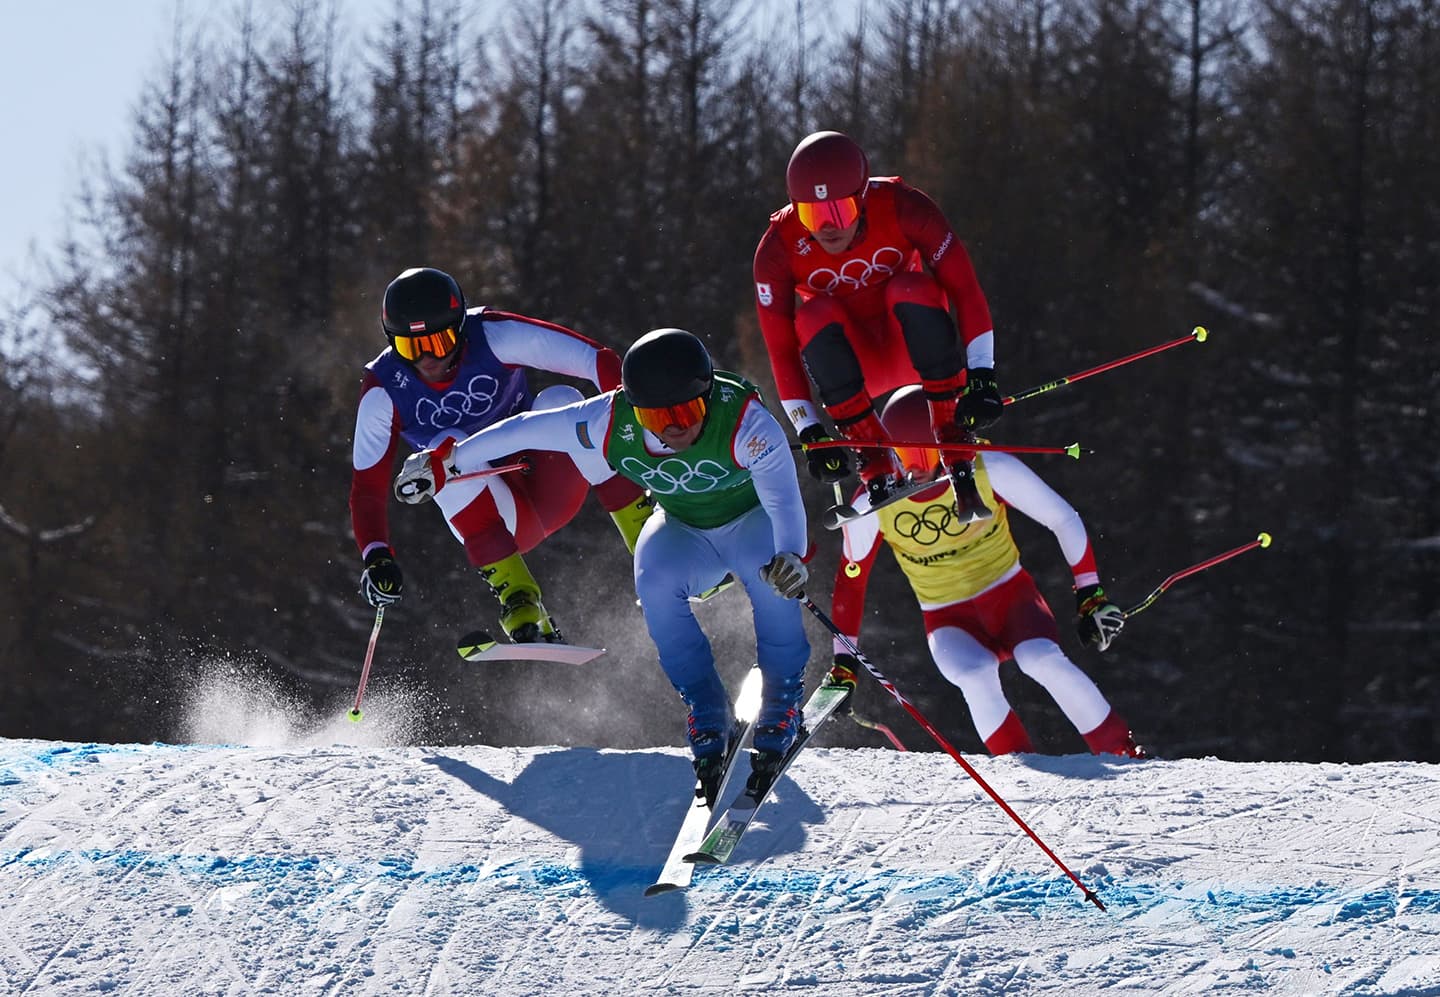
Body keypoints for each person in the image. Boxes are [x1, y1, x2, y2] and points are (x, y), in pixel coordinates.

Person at [392, 328, 813, 799]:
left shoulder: (747, 423)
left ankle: (783, 700)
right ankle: (706, 709)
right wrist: (447, 460)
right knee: (653, 579)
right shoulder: (606, 420)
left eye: (687, 410)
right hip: (684, 530)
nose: (675, 427)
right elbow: (525, 429)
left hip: (750, 524)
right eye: (658, 415)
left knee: (769, 573)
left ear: (708, 396)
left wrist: (792, 556)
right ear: (635, 408)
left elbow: (784, 504)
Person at [825, 385, 1143, 757]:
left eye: (918, 454)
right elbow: (852, 580)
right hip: (946, 618)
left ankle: (1124, 754)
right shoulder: (873, 501)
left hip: (1012, 599)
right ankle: (1020, 775)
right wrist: (844, 665)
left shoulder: (985, 466)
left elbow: (1062, 518)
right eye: (897, 454)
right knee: (974, 676)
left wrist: (1091, 594)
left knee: (1041, 659)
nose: (909, 469)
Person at [349, 267, 652, 646]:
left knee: (563, 401)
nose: (427, 359)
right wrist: (376, 554)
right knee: (442, 449)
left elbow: (598, 360)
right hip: (497, 519)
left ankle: (651, 544)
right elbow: (368, 487)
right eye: (410, 348)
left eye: (439, 342)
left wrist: (648, 426)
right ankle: (519, 597)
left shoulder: (492, 335)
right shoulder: (383, 388)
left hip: (547, 480)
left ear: (459, 329)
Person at [753, 129, 1002, 524]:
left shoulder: (905, 207)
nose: (826, 229)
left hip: (914, 351)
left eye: (839, 213)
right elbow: (781, 350)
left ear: (863, 200)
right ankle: (872, 459)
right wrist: (811, 432)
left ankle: (953, 441)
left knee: (911, 287)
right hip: (855, 372)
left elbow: (966, 291)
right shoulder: (778, 248)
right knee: (812, 315)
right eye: (811, 215)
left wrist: (982, 375)